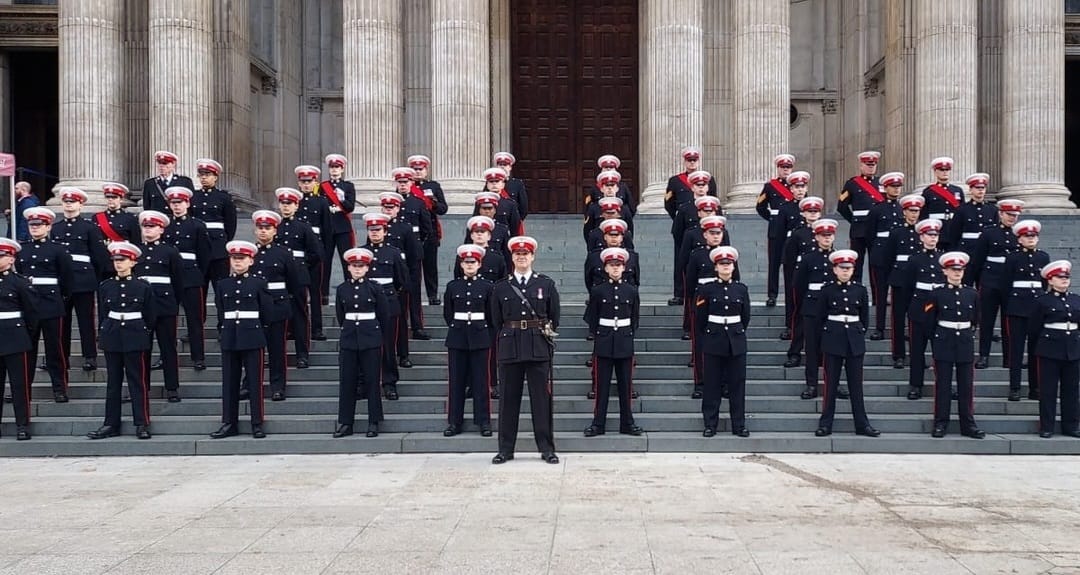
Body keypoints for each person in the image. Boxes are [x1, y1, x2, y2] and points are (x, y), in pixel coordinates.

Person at [489, 236, 560, 465]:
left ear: (532, 256)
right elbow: (495, 319)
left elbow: (554, 317)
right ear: (512, 258)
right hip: (510, 348)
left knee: (541, 401)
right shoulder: (501, 287)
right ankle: (505, 449)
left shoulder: (545, 284)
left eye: (525, 254)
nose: (522, 257)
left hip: (537, 347)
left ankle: (547, 448)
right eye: (518, 254)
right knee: (508, 401)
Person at [87, 241, 156, 440]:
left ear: (133, 262)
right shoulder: (106, 286)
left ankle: (142, 422)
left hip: (135, 335)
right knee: (113, 382)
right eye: (116, 260)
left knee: (137, 381)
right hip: (113, 335)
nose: (118, 264)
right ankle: (111, 423)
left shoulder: (142, 286)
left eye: (123, 260)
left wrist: (142, 333)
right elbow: (103, 314)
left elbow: (150, 316)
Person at [210, 240, 273, 439]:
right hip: (230, 334)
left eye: (241, 258)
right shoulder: (223, 284)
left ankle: (257, 422)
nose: (237, 262)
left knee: (254, 382)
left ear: (251, 261)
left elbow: (267, 313)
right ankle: (229, 422)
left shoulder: (259, 283)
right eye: (234, 258)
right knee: (229, 382)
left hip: (252, 334)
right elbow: (221, 311)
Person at [814, 250, 880, 438]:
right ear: (835, 269)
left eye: (848, 268)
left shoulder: (860, 290)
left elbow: (865, 319)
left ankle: (862, 424)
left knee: (856, 386)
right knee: (830, 385)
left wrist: (858, 333)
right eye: (842, 268)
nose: (845, 271)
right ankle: (826, 423)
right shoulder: (827, 290)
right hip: (833, 338)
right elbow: (820, 318)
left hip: (854, 339)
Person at [582, 247, 643, 438]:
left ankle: (627, 422)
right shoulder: (598, 291)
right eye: (611, 265)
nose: (615, 269)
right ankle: (598, 423)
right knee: (602, 386)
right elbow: (592, 317)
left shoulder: (631, 291)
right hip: (604, 340)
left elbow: (634, 318)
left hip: (624, 340)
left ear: (624, 268)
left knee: (626, 385)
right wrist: (600, 335)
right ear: (606, 268)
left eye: (619, 265)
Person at [17, 206, 73, 403]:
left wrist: (61, 298)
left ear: (48, 227)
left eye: (39, 225)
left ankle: (59, 388)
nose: (34, 228)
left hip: (51, 303)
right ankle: (24, 389)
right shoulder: (22, 248)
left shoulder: (58, 249)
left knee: (54, 350)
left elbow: (67, 279)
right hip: (29, 306)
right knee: (27, 350)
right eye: (32, 225)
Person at [927, 251, 985, 439]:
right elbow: (929, 321)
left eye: (960, 270)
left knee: (966, 385)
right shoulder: (937, 294)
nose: (957, 273)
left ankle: (967, 424)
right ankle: (940, 423)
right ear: (945, 271)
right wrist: (936, 341)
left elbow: (976, 319)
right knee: (943, 385)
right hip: (944, 339)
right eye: (953, 270)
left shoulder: (972, 293)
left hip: (965, 341)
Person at [334, 247, 390, 438]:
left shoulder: (375, 288)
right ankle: (345, 422)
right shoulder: (342, 289)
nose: (357, 269)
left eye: (361, 266)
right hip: (350, 338)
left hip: (370, 337)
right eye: (354, 266)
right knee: (347, 381)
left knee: (372, 381)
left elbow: (383, 315)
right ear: (348, 267)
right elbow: (341, 316)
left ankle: (374, 421)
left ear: (367, 268)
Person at [695, 246, 750, 438]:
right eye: (722, 264)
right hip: (714, 340)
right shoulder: (706, 289)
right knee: (711, 384)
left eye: (729, 264)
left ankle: (739, 424)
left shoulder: (741, 289)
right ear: (716, 267)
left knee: (737, 384)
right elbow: (701, 318)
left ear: (734, 267)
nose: (726, 267)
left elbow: (745, 317)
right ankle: (710, 424)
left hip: (736, 341)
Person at [52, 187, 108, 372]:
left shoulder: (89, 228)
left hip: (83, 281)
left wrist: (96, 278)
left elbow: (99, 257)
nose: (69, 205)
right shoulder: (56, 228)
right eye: (66, 202)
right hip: (62, 283)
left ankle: (90, 356)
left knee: (86, 321)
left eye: (72, 202)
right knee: (63, 323)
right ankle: (62, 357)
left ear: (80, 204)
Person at [443, 244, 495, 437]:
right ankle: (454, 422)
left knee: (481, 381)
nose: (470, 265)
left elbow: (492, 316)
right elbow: (448, 314)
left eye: (473, 262)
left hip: (480, 337)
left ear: (480, 264)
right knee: (456, 382)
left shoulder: (488, 287)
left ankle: (483, 421)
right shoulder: (452, 286)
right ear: (461, 264)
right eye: (466, 262)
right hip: (457, 338)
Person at [250, 209, 302, 402]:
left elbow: (294, 284)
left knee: (277, 349)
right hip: (254, 308)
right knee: (252, 350)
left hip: (278, 306)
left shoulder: (284, 254)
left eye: (267, 228)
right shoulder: (249, 253)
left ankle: (278, 386)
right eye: (260, 227)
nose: (263, 231)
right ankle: (250, 384)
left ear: (275, 231)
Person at [134, 210, 184, 402]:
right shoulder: (135, 251)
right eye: (145, 226)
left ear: (161, 230)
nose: (148, 230)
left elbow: (178, 282)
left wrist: (173, 303)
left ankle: (172, 387)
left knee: (167, 348)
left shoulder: (170, 251)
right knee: (141, 349)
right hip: (141, 309)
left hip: (164, 306)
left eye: (152, 227)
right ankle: (141, 387)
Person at [970, 199, 1025, 369]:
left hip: (1011, 285)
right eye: (1009, 214)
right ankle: (984, 355)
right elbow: (977, 261)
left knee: (1009, 323)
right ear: (1000, 214)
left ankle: (1009, 358)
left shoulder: (1021, 235)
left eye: (1015, 215)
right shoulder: (988, 233)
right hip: (990, 281)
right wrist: (969, 283)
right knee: (986, 321)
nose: (1012, 218)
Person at [273, 187, 322, 370]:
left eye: (289, 204)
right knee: (277, 319)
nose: (285, 207)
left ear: (296, 205)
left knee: (300, 316)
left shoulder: (303, 227)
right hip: (278, 279)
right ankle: (278, 355)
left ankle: (302, 354)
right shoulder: (274, 227)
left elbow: (315, 253)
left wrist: (300, 269)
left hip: (298, 278)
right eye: (283, 203)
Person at [162, 186, 211, 371]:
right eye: (173, 203)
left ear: (187, 203)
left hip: (191, 277)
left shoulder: (197, 225)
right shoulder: (165, 226)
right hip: (170, 279)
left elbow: (205, 256)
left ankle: (198, 357)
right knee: (168, 322)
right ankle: (167, 357)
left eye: (179, 203)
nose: (176, 206)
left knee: (195, 319)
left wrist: (199, 274)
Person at [362, 212, 409, 400]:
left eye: (378, 230)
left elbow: (402, 280)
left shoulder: (394, 253)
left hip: (389, 304)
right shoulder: (361, 253)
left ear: (385, 231)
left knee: (388, 346)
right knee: (366, 347)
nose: (374, 233)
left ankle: (389, 383)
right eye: (371, 230)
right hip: (366, 307)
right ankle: (365, 383)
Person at [684, 215, 732, 399]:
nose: (715, 236)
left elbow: (736, 280)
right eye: (712, 233)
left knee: (725, 345)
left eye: (718, 233)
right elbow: (690, 283)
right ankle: (701, 383)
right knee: (700, 344)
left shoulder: (728, 255)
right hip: (703, 303)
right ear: (705, 235)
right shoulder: (697, 255)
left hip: (724, 304)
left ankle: (725, 383)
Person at [1031, 260, 1080, 438]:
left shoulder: (1076, 299)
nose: (1064, 280)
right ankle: (1047, 426)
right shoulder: (1042, 301)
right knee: (1048, 390)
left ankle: (1071, 425)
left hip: (1072, 349)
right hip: (1049, 349)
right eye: (1060, 277)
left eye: (1066, 277)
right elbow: (1034, 328)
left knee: (1072, 390)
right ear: (1050, 280)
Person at [1002, 220, 1049, 401]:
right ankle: (1015, 387)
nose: (1031, 239)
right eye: (1027, 236)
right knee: (1016, 350)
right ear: (1019, 239)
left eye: (1033, 236)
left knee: (1035, 350)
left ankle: (1034, 387)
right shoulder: (1012, 258)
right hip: (1017, 307)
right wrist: (1009, 307)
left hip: (1036, 307)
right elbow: (1005, 285)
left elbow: (1045, 284)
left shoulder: (1043, 258)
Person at [793, 218, 840, 400]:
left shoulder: (839, 259)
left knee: (833, 349)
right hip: (812, 308)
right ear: (816, 237)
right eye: (823, 236)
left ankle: (833, 383)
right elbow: (798, 284)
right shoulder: (808, 258)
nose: (827, 239)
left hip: (833, 309)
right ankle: (812, 383)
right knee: (812, 349)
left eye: (830, 235)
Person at [666, 147, 718, 305]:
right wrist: (678, 217)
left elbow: (714, 200)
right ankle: (680, 293)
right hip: (685, 227)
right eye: (689, 160)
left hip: (707, 230)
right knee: (681, 262)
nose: (692, 163)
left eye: (694, 160)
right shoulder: (675, 181)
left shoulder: (710, 180)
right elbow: (669, 203)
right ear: (684, 161)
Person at [190, 158, 238, 318]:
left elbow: (230, 226)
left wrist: (223, 244)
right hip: (198, 251)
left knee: (221, 291)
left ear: (215, 177)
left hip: (219, 251)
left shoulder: (224, 198)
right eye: (201, 174)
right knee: (199, 293)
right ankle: (198, 326)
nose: (204, 177)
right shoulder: (193, 197)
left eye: (208, 174)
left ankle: (222, 325)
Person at [0, 237, 38, 440]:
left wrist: (26, 335)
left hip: (15, 337)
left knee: (19, 385)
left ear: (11, 259)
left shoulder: (20, 283)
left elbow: (32, 314)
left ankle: (22, 424)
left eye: (2, 255)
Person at [903, 219, 945, 400]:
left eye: (935, 235)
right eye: (929, 235)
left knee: (941, 352)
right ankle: (915, 385)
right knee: (917, 351)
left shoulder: (944, 259)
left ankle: (943, 385)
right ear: (921, 237)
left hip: (939, 311)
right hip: (919, 310)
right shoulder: (914, 259)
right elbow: (907, 288)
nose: (933, 238)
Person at [882, 194, 925, 369]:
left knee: (918, 321)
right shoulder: (896, 232)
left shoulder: (924, 233)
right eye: (911, 211)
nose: (914, 214)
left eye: (917, 211)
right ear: (904, 211)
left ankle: (917, 356)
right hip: (900, 281)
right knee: (898, 320)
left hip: (918, 282)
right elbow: (888, 259)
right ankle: (898, 355)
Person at [782, 195, 823, 367]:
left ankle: (819, 354)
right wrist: (794, 282)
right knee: (799, 317)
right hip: (802, 282)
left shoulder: (825, 233)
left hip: (819, 284)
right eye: (809, 211)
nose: (813, 214)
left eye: (815, 211)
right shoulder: (798, 234)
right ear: (803, 213)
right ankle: (795, 352)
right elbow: (789, 261)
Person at [295, 164, 333, 338]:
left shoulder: (322, 202)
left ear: (315, 182)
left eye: (309, 181)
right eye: (303, 181)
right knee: (296, 292)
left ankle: (317, 328)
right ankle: (295, 327)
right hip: (298, 253)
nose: (306, 185)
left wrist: (323, 252)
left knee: (315, 293)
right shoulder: (295, 202)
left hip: (316, 252)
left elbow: (327, 230)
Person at [866, 172, 904, 340]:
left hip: (898, 257)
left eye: (898, 187)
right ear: (885, 188)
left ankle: (899, 328)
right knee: (881, 294)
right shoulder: (877, 209)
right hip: (880, 256)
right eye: (893, 187)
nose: (896, 190)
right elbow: (870, 235)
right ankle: (879, 327)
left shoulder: (904, 209)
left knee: (899, 296)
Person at [407, 154, 448, 305]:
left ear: (426, 170)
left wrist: (434, 203)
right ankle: (412, 295)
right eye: (415, 169)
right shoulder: (405, 187)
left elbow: (443, 208)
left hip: (430, 231)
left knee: (430, 266)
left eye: (420, 169)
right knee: (413, 267)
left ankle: (432, 295)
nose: (417, 172)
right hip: (411, 233)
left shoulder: (434, 186)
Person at [836, 151, 883, 284]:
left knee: (875, 263)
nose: (871, 167)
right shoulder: (852, 184)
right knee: (857, 262)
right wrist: (853, 220)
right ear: (861, 166)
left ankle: (876, 296)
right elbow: (842, 206)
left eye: (873, 165)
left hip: (876, 229)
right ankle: (856, 289)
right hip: (859, 229)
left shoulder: (881, 184)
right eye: (868, 165)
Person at [755, 153, 796, 307]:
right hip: (776, 230)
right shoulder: (770, 186)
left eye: (788, 167)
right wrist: (773, 220)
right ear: (778, 168)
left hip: (792, 231)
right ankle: (772, 295)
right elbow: (760, 206)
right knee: (774, 263)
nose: (786, 170)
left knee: (791, 264)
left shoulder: (798, 186)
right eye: (783, 167)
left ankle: (791, 294)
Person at [777, 171, 810, 343]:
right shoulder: (785, 208)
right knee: (791, 293)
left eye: (802, 186)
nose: (799, 190)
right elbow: (779, 234)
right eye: (796, 187)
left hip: (810, 258)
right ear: (790, 188)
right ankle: (790, 325)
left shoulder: (813, 206)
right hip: (791, 256)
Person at [320, 153, 358, 295]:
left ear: (342, 169)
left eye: (337, 167)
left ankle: (350, 291)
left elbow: (350, 207)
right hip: (327, 228)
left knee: (346, 261)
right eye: (332, 167)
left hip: (342, 227)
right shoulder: (322, 187)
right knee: (325, 262)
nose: (334, 170)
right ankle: (323, 294)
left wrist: (341, 200)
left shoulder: (348, 186)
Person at [919, 156, 965, 247]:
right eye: (941, 170)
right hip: (936, 232)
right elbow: (924, 214)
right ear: (935, 172)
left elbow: (963, 213)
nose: (945, 172)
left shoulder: (957, 190)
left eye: (947, 170)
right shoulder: (928, 192)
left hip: (954, 230)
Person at [947, 173, 997, 255]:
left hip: (986, 250)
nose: (980, 190)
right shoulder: (962, 210)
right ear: (970, 189)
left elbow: (995, 233)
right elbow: (954, 235)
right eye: (977, 187)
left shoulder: (992, 209)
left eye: (983, 187)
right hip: (967, 250)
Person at [584, 171, 635, 243]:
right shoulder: (594, 208)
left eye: (612, 185)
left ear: (617, 188)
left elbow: (629, 231)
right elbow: (588, 230)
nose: (610, 188)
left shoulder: (625, 209)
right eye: (606, 186)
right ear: (601, 189)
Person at [456, 215, 507, 282]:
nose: (479, 234)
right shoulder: (462, 256)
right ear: (471, 236)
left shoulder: (497, 258)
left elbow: (502, 281)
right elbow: (458, 279)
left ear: (489, 236)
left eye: (482, 231)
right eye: (476, 231)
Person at [476, 167, 522, 236]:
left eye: (497, 181)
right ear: (487, 185)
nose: (494, 184)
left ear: (503, 184)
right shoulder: (480, 203)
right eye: (491, 182)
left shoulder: (510, 204)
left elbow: (514, 228)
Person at [493, 151, 529, 223]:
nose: (502, 166)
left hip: (511, 223)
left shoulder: (517, 184)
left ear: (510, 167)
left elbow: (523, 207)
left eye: (505, 164)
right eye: (500, 164)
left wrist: (516, 221)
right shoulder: (491, 183)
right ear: (497, 167)